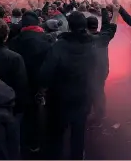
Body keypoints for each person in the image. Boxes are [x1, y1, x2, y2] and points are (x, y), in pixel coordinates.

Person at [39, 11, 97, 160]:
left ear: (69, 26)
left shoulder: (59, 46)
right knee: (78, 132)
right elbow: (96, 70)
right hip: (83, 96)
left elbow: (46, 72)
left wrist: (43, 89)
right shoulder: (91, 45)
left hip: (60, 98)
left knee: (57, 133)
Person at [8, 11, 52, 158]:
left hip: (18, 83)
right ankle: (34, 144)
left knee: (19, 114)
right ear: (37, 24)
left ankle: (18, 144)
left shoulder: (14, 40)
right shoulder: (45, 39)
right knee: (35, 114)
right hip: (37, 82)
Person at [87, 2, 118, 124]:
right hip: (102, 70)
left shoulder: (83, 39)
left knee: (89, 91)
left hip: (88, 71)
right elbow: (110, 27)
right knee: (99, 90)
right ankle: (100, 113)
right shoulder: (103, 38)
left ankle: (89, 111)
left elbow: (108, 26)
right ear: (96, 26)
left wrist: (105, 9)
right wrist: (112, 12)